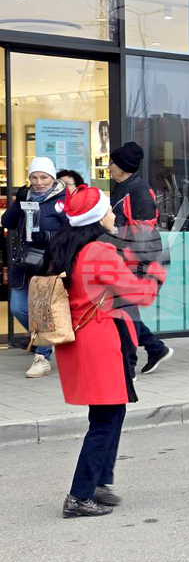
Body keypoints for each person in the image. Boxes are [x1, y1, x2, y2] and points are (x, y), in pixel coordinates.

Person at [47, 186, 167, 517]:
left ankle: (100, 482)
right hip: (100, 346)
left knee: (110, 414)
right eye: (109, 209)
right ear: (99, 217)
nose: (115, 214)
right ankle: (79, 495)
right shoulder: (99, 252)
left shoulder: (73, 246)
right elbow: (141, 295)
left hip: (83, 344)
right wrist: (158, 268)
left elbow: (103, 279)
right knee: (104, 419)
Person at [108, 143, 174, 375]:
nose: (109, 166)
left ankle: (129, 367)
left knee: (125, 311)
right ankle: (155, 348)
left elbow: (142, 233)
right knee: (121, 310)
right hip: (122, 257)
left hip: (137, 259)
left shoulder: (139, 192)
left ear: (123, 167)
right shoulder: (122, 186)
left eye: (112, 163)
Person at [1, 157, 68, 377]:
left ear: (52, 177)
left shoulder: (63, 199)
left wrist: (47, 235)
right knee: (18, 308)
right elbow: (7, 223)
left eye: (44, 177)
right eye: (34, 177)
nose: (39, 182)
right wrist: (17, 203)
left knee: (42, 310)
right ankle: (42, 339)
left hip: (49, 265)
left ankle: (42, 356)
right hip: (24, 264)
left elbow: (71, 232)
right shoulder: (25, 197)